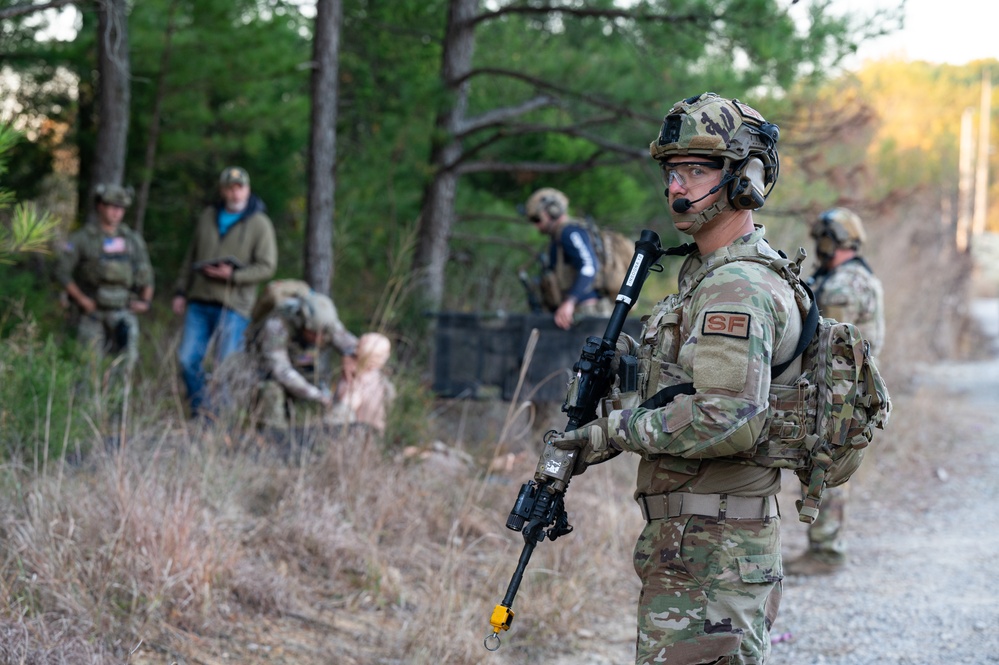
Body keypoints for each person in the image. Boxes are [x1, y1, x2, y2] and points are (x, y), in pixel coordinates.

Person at [553, 92, 799, 664]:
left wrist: (613, 431)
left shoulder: (736, 286)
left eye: (697, 170)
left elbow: (727, 419)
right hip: (699, 547)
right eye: (671, 171)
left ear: (747, 178)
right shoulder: (706, 276)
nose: (677, 188)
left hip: (713, 553)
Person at [784, 207, 885, 576]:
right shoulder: (855, 276)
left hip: (838, 391)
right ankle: (825, 546)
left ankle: (826, 551)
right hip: (845, 388)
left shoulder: (843, 284)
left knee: (825, 464)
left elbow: (826, 340)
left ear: (832, 240)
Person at [172, 166, 277, 418]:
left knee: (226, 367)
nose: (235, 192)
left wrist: (234, 276)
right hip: (199, 300)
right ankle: (202, 412)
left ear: (247, 190)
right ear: (222, 190)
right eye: (230, 188)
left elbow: (267, 266)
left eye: (239, 187)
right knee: (187, 359)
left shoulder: (259, 223)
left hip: (234, 306)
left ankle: (222, 423)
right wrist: (180, 291)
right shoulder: (208, 215)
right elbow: (191, 256)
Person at [55, 183, 154, 373]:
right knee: (86, 369)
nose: (117, 212)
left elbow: (146, 273)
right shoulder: (83, 238)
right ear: (101, 206)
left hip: (124, 312)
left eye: (121, 208)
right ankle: (84, 403)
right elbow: (62, 272)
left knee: (124, 367)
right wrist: (82, 300)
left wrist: (146, 302)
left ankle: (115, 402)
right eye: (112, 207)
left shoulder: (131, 240)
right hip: (93, 314)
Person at [247, 284, 358, 434]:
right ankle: (273, 438)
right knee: (271, 393)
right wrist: (317, 396)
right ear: (302, 322)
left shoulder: (327, 324)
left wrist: (348, 356)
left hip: (306, 374)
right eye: (314, 333)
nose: (320, 338)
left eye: (323, 334)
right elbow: (281, 370)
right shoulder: (276, 326)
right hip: (271, 376)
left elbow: (353, 345)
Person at [524, 187, 613, 330]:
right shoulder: (561, 234)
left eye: (537, 219)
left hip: (587, 313)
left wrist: (569, 302)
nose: (536, 225)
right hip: (577, 313)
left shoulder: (569, 232)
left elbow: (589, 267)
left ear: (553, 211)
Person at [331, 332, 396, 435]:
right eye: (382, 355)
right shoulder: (352, 381)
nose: (386, 357)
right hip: (359, 436)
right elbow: (339, 417)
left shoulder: (376, 375)